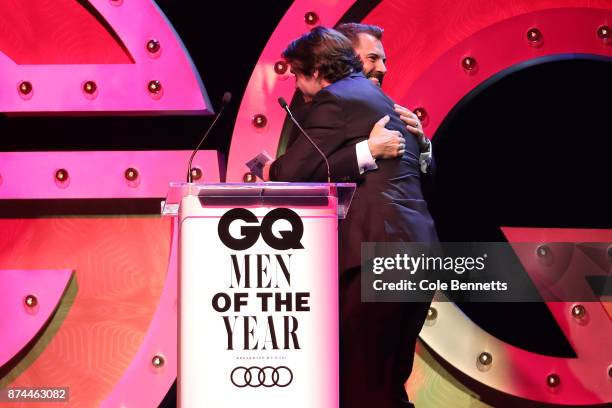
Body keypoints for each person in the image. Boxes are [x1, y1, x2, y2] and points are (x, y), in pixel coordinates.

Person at [264, 27, 438, 408]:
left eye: (296, 75)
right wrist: (365, 151)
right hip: (417, 250)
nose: (297, 86)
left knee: (361, 382)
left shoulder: (333, 100)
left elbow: (289, 175)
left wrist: (271, 171)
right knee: (385, 383)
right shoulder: (378, 100)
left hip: (377, 251)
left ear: (313, 71)